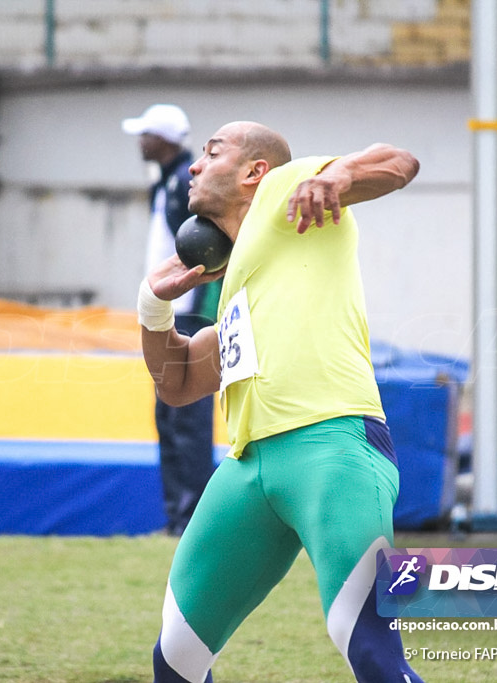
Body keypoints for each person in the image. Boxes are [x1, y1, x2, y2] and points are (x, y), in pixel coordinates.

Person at [136, 120, 423, 682]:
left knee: (369, 651)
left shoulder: (287, 192)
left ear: (253, 172)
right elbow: (179, 383)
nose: (193, 165)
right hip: (247, 473)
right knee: (176, 660)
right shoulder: (243, 286)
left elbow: (398, 161)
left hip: (331, 447)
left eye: (211, 153)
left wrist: (336, 174)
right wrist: (152, 306)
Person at [123, 104, 220, 537]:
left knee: (189, 420)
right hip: (169, 312)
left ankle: (191, 517)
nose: (140, 142)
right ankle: (175, 517)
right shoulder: (163, 182)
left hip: (191, 314)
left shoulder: (187, 182)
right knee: (167, 417)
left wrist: (199, 313)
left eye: (146, 134)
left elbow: (206, 252)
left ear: (163, 140)